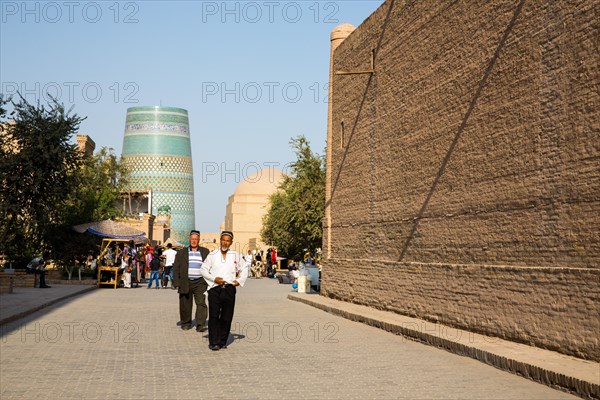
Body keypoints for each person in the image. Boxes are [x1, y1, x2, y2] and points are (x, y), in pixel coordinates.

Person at [200, 231, 249, 350]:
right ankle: (213, 342)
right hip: (215, 289)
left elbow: (244, 267)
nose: (225, 242)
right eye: (223, 240)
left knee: (227, 317)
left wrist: (240, 280)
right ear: (220, 240)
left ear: (231, 242)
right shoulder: (212, 255)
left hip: (229, 289)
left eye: (228, 240)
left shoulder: (235, 255)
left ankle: (222, 341)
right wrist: (214, 279)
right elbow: (203, 269)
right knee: (214, 316)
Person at [172, 230, 210, 332]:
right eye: (192, 239)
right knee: (185, 303)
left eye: (196, 239)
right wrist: (176, 282)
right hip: (185, 281)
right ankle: (186, 322)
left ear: (199, 240)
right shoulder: (181, 253)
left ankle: (200, 324)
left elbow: (210, 266)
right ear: (189, 239)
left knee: (201, 303)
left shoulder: (205, 252)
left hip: (200, 282)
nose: (194, 241)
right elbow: (176, 268)